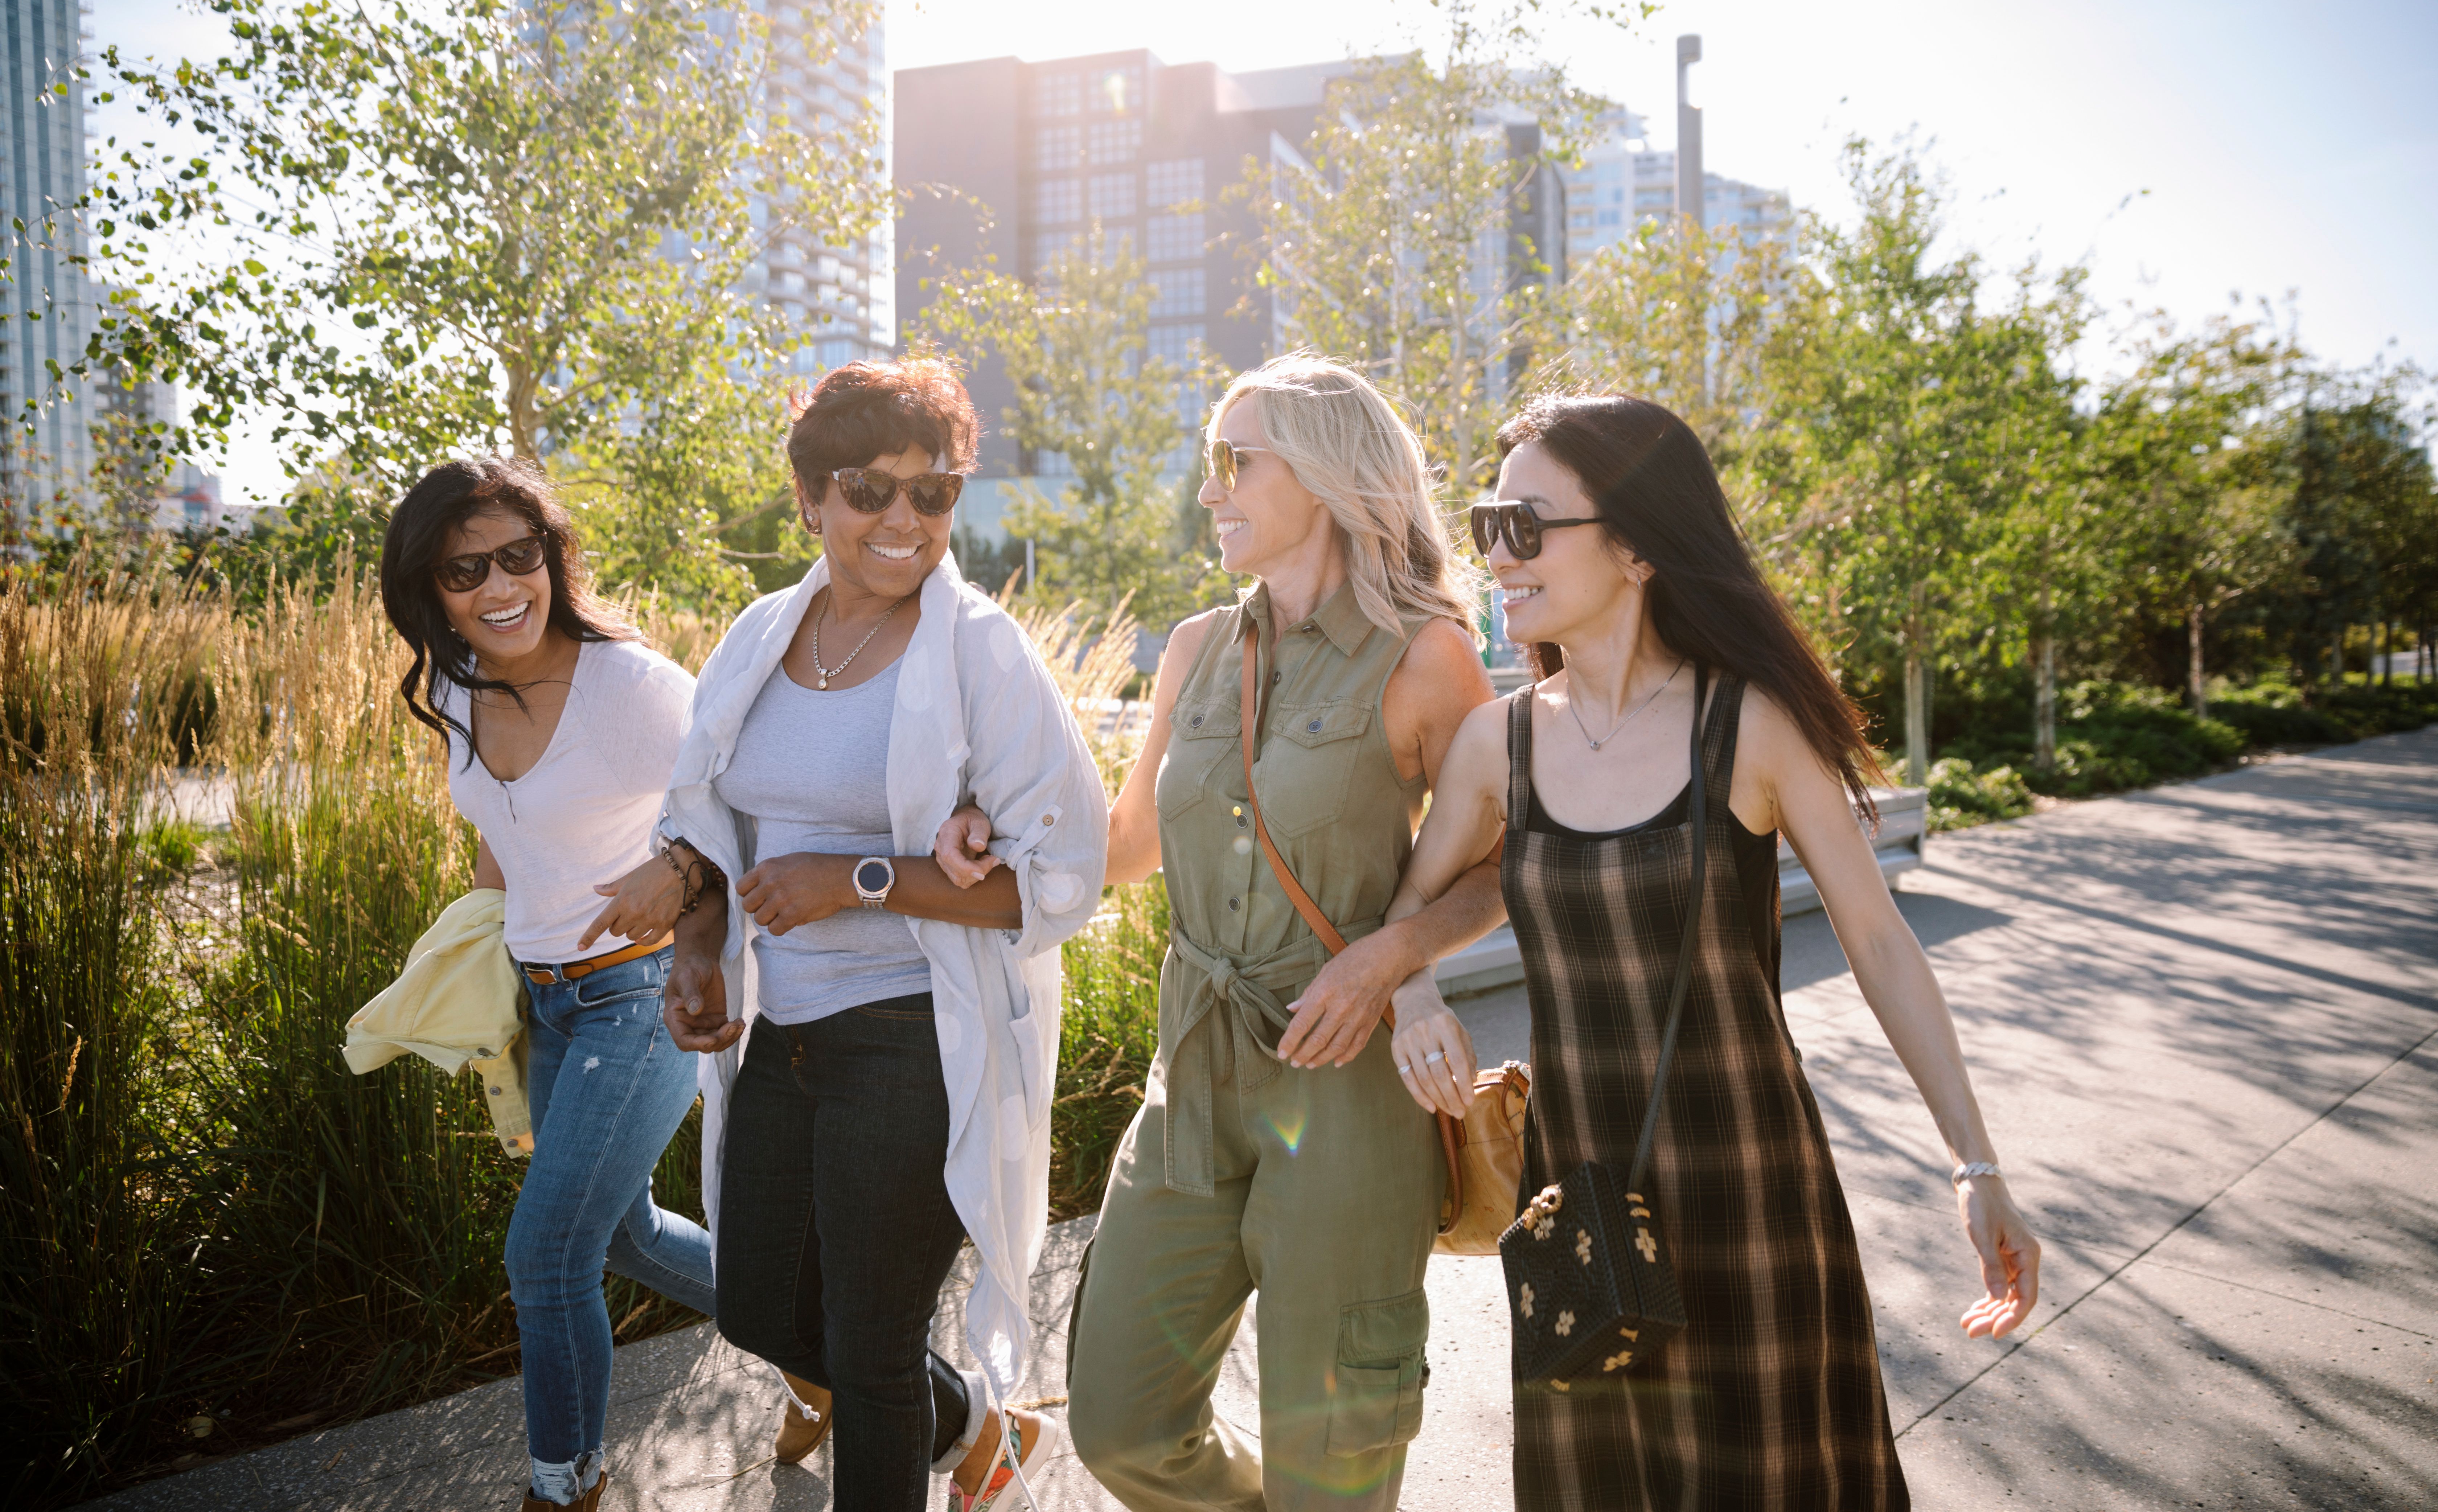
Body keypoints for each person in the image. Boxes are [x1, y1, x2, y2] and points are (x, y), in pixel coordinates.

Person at [1371, 395, 2044, 1509]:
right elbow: (1409, 910)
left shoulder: (1752, 727)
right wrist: (1417, 1002)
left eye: (1529, 526)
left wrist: (1976, 1168)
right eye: (1491, 522)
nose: (1499, 553)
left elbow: (1878, 943)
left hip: (1751, 1194)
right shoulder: (1503, 744)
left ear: (1635, 546)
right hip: (1580, 1205)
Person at [947, 353, 1504, 1511]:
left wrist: (1391, 960)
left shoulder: (1427, 655)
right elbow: (1126, 844)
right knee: (1120, 1422)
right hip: (1190, 1073)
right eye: (1215, 464)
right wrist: (987, 831)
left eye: (1238, 462)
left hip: (1345, 1087)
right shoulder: (1198, 648)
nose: (1212, 492)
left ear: (1327, 475)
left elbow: (1507, 866)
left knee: (1334, 1454)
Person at [655, 357, 1109, 1511]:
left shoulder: (978, 652)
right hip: (783, 1029)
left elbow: (1061, 878)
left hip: (914, 1034)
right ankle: (976, 1428)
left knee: (868, 1346)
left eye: (935, 490)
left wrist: (857, 878)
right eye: (870, 490)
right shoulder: (762, 635)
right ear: (810, 499)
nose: (906, 518)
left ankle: (932, 1428)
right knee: (758, 1304)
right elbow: (708, 831)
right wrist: (698, 948)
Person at [378, 459, 717, 1512]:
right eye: (463, 570)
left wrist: (679, 869)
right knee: (624, 1235)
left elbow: (748, 810)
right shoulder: (455, 684)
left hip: (645, 993)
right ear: (432, 594)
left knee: (547, 1254)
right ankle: (820, 1332)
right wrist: (488, 967)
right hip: (552, 996)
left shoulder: (634, 687)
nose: (498, 587)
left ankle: (562, 1489)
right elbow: (504, 838)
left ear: (553, 558)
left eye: (516, 556)